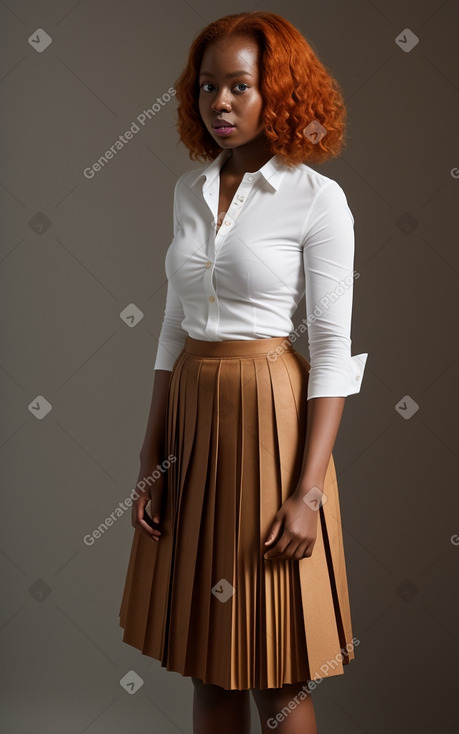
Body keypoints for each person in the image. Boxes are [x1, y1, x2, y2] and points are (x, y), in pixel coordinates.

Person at [119, 11, 368, 734]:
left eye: (239, 86)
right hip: (190, 421)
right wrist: (150, 457)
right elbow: (173, 327)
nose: (219, 103)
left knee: (277, 674)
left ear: (277, 92)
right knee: (208, 663)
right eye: (206, 88)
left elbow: (331, 348)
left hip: (270, 422)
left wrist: (307, 494)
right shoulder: (188, 193)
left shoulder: (316, 200)